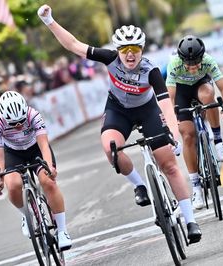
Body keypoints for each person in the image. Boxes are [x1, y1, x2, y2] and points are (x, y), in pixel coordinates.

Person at [37, 4, 202, 242]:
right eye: (124, 49)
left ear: (141, 49)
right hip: (118, 110)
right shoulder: (110, 58)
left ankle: (190, 221)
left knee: (169, 164)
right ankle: (139, 185)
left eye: (134, 48)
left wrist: (173, 135)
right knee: (110, 148)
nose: (130, 54)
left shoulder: (151, 70)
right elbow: (74, 45)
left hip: (147, 111)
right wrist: (49, 20)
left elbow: (165, 104)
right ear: (118, 50)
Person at [0, 91, 72, 251]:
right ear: (4, 118)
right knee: (12, 185)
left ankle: (62, 231)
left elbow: (44, 145)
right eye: (13, 124)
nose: (19, 126)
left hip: (35, 149)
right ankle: (26, 215)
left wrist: (49, 167)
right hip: (13, 153)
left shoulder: (33, 115)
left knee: (48, 181)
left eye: (21, 121)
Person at [166, 35, 223, 210]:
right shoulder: (174, 64)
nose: (193, 66)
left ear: (202, 56)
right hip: (181, 92)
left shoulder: (208, 61)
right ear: (181, 60)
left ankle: (217, 140)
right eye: (189, 63)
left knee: (208, 95)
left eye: (197, 62)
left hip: (201, 86)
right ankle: (196, 186)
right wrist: (173, 120)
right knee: (188, 135)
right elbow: (170, 98)